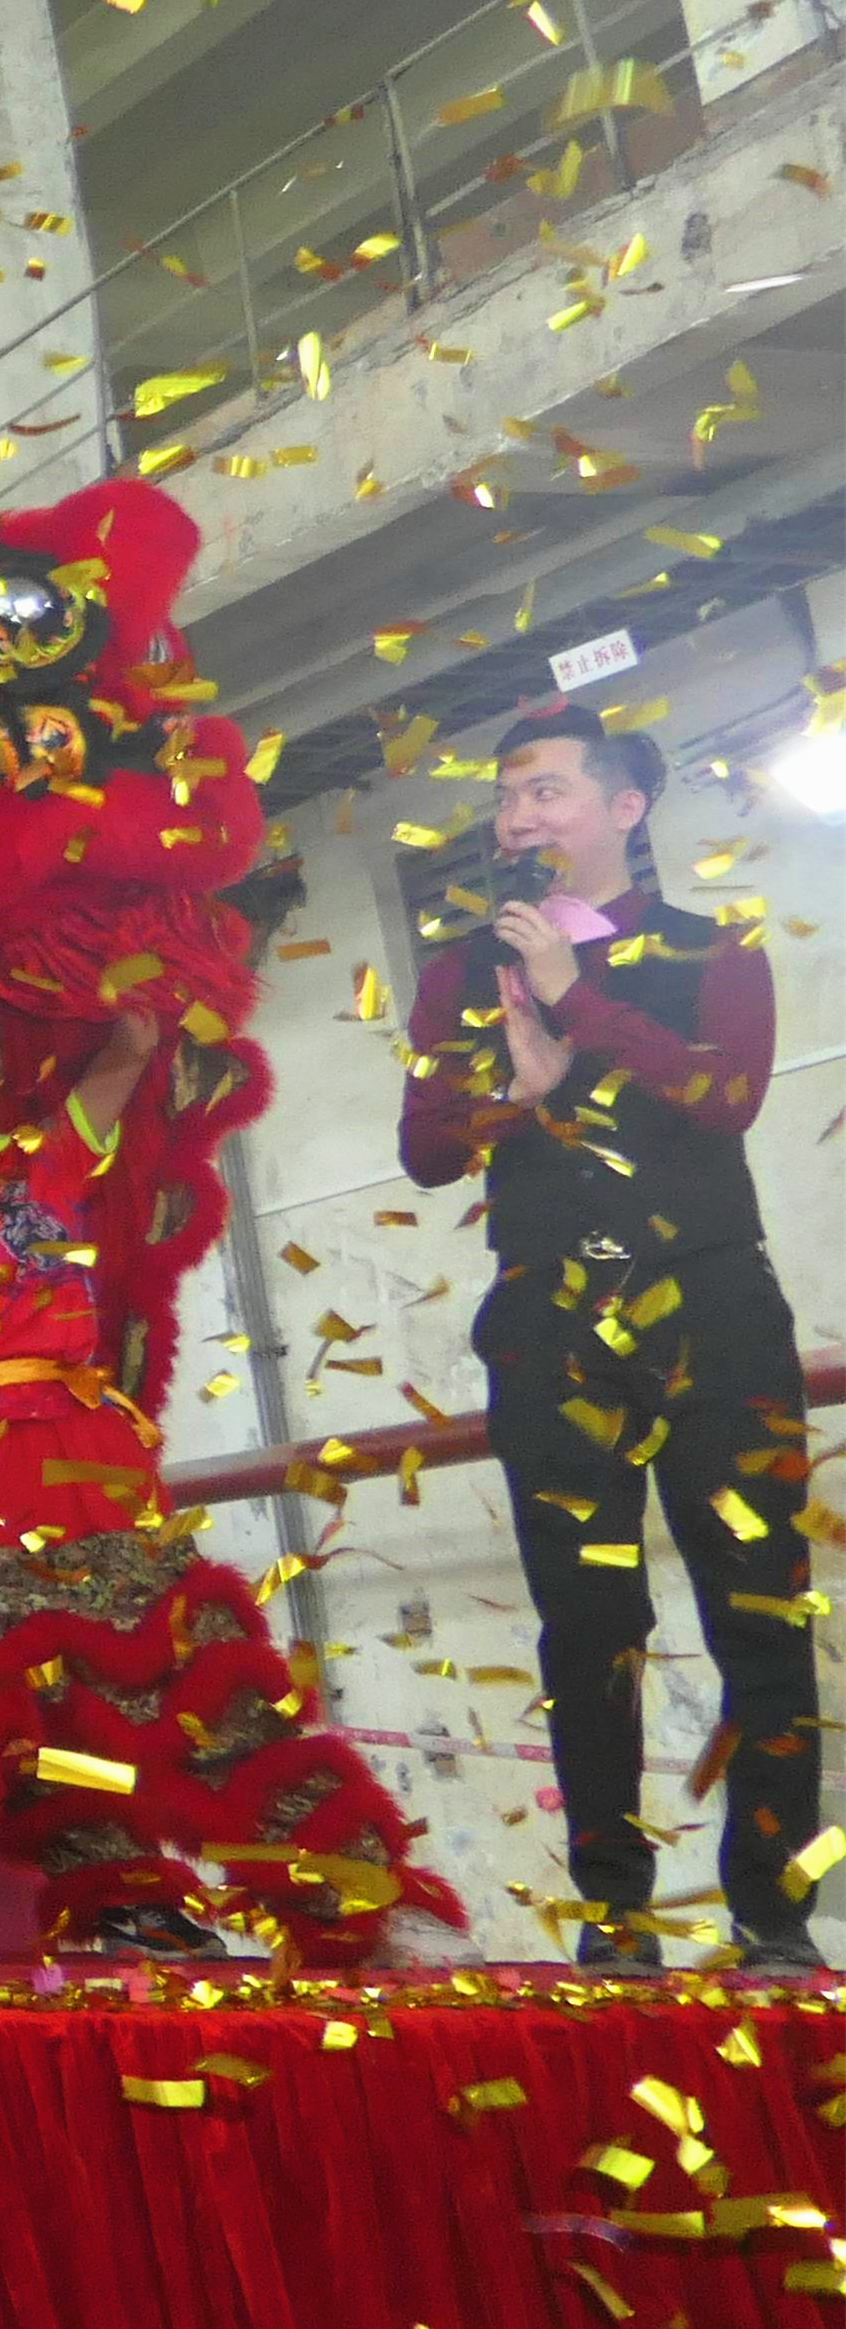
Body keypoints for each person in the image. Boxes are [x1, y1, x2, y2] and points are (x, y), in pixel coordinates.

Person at [0, 991, 452, 1961]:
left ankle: (347, 1894)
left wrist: (126, 960)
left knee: (167, 1670)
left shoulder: (56, 1149)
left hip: (80, 1450)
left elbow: (132, 1044)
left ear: (1, 1064)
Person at [401, 702, 814, 1973]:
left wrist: (580, 1003)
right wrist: (516, 1102)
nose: (518, 816)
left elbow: (725, 1098)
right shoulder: (463, 974)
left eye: (547, 793)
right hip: (553, 1313)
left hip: (708, 1302)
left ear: (624, 811)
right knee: (587, 1622)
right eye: (506, 797)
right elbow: (425, 1149)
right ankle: (615, 1917)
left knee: (759, 1605)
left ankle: (775, 1916)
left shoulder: (713, 947)